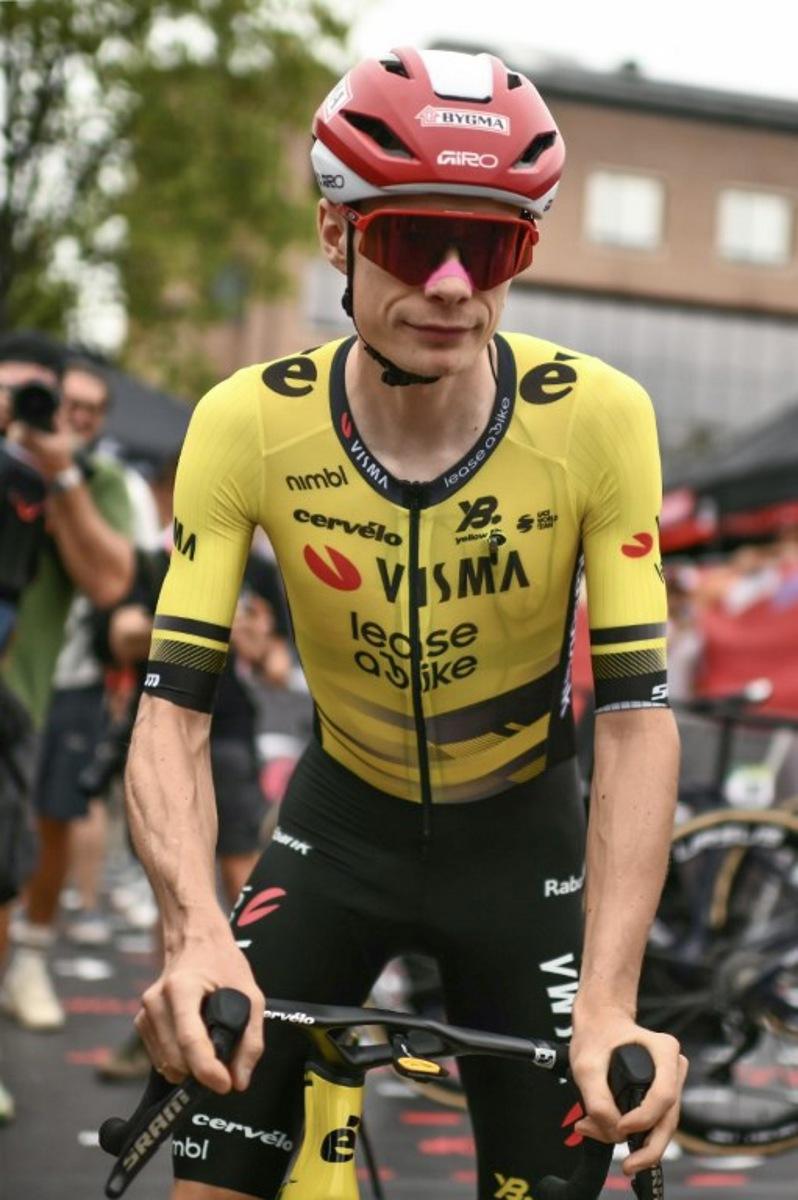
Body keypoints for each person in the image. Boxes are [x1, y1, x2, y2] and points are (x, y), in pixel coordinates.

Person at [125, 47, 686, 1200]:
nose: (446, 283)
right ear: (336, 235)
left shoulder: (600, 420)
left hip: (523, 846)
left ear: (522, 253)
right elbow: (173, 710)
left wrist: (616, 998)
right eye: (407, 238)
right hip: (338, 829)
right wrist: (191, 932)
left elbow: (635, 719)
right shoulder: (246, 424)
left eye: (485, 246)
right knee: (207, 1152)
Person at [0, 335, 134, 1036]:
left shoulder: (95, 480)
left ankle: (32, 957)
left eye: (80, 408)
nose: (66, 417)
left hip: (42, 693)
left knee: (47, 826)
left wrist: (57, 475)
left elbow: (114, 582)